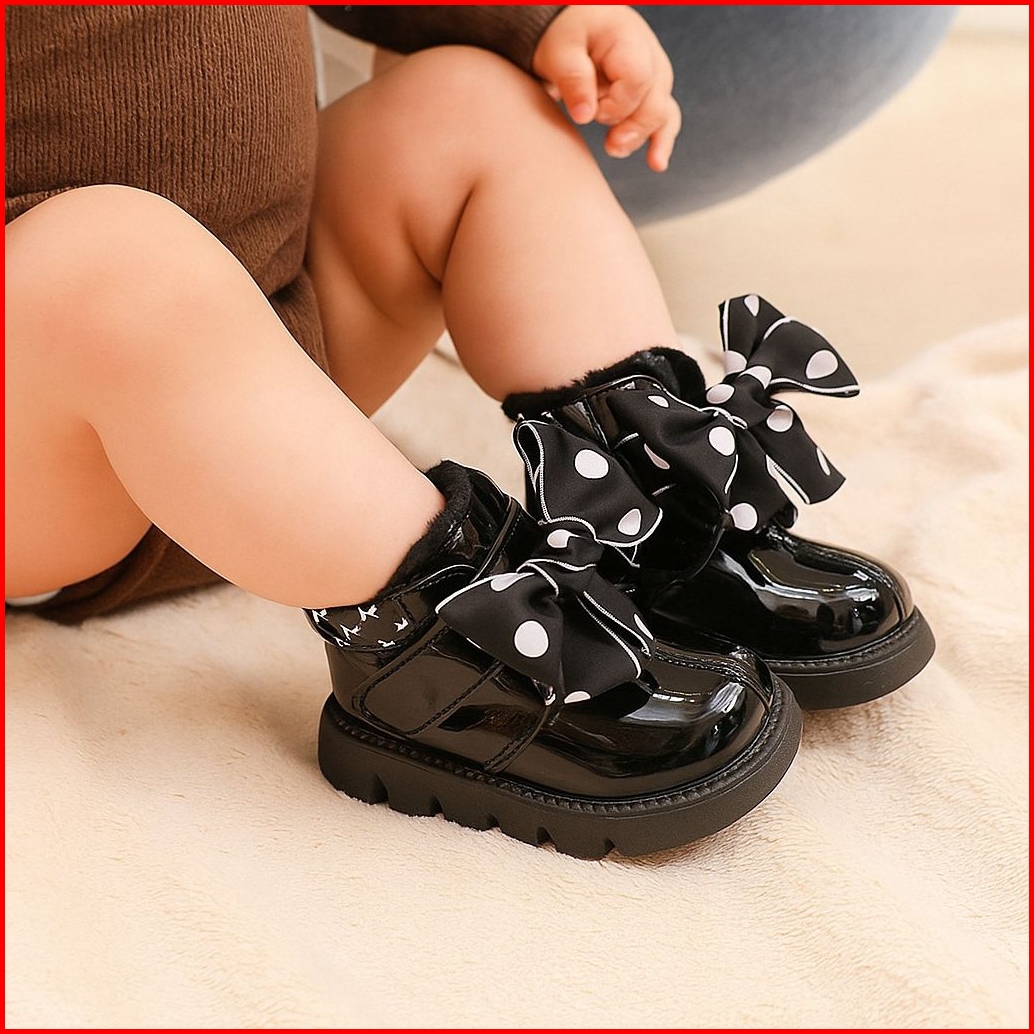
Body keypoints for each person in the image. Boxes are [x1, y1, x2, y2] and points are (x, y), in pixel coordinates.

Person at [4, 6, 934, 858]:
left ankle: (651, 515)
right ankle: (443, 639)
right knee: (107, 262)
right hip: (49, 436)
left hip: (278, 331)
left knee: (464, 101)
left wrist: (539, 21)